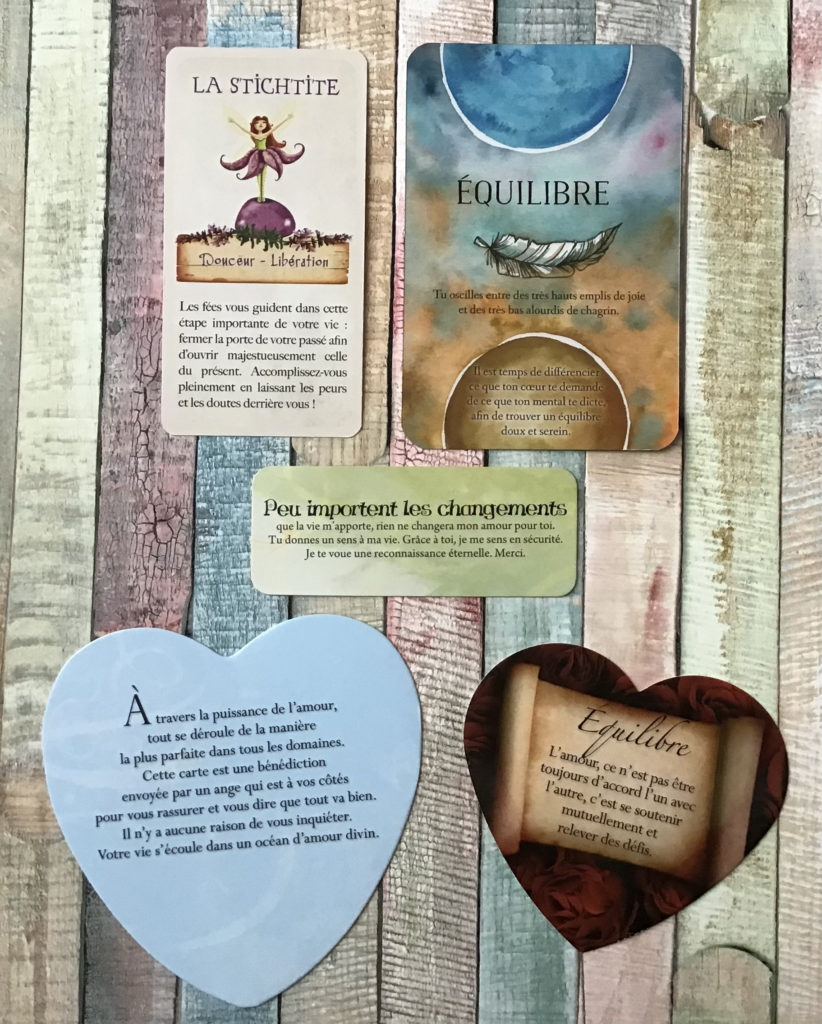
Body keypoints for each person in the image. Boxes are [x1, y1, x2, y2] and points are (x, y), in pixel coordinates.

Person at [220, 115, 305, 202]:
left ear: (266, 125)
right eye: (257, 123)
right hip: (257, 154)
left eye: (263, 123)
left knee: (262, 175)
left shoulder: (266, 134)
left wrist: (286, 119)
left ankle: (262, 197)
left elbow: (276, 127)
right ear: (254, 125)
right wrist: (234, 122)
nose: (261, 124)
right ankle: (261, 197)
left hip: (266, 154)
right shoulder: (254, 135)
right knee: (257, 174)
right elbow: (244, 129)